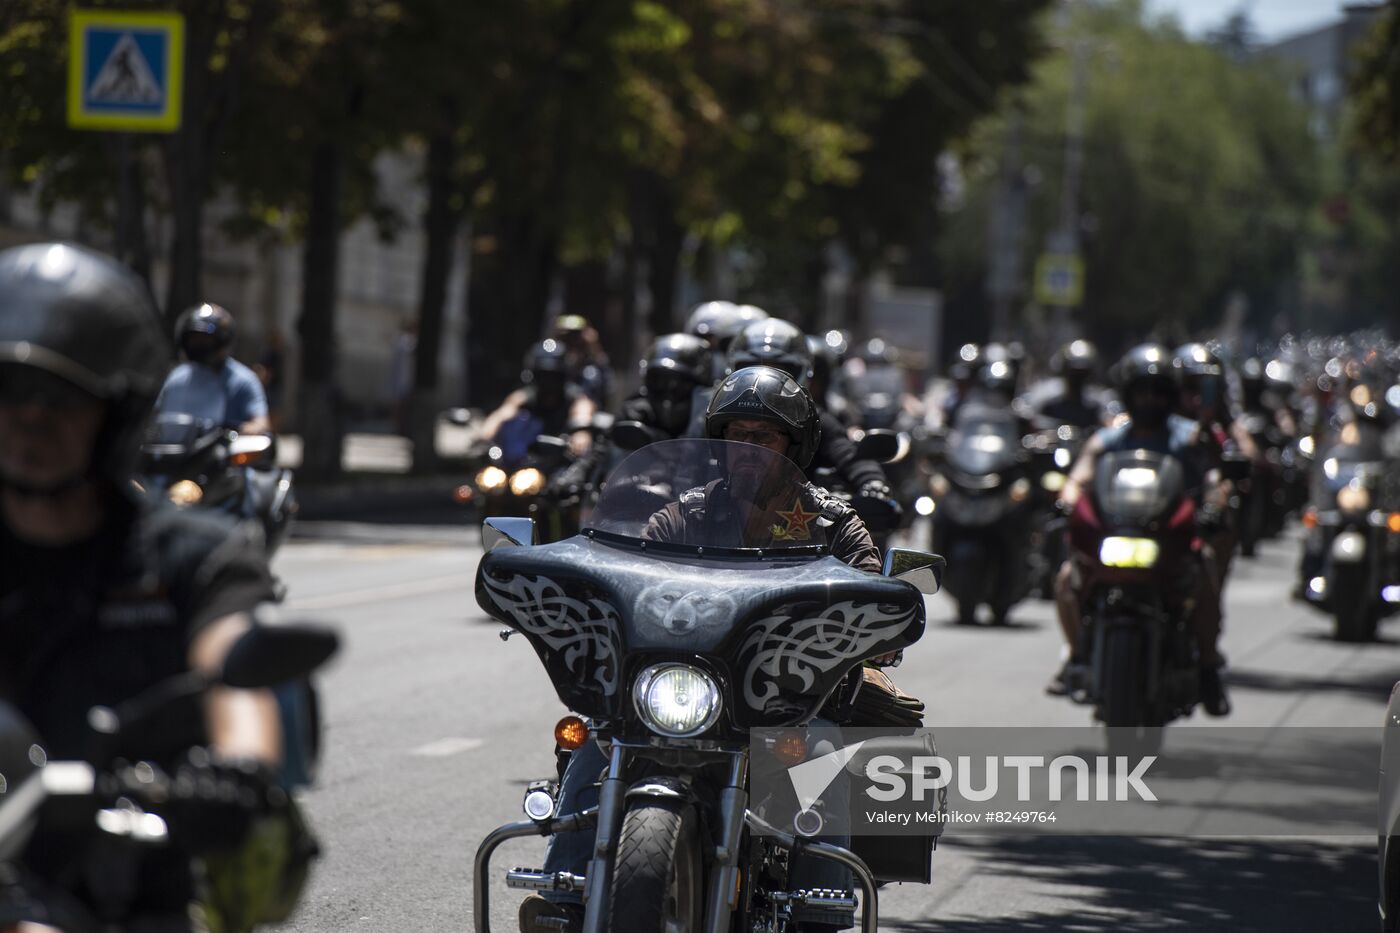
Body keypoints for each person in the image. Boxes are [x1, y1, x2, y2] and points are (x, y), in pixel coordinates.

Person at [0, 243, 304, 930]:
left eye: (59, 397)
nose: (30, 419)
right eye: (9, 393)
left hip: (144, 879)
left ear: (116, 407)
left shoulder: (191, 555)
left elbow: (235, 673)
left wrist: (238, 772)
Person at [519, 367, 881, 933]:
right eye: (736, 436)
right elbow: (625, 572)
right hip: (685, 689)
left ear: (795, 445)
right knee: (598, 733)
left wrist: (875, 628)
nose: (747, 450)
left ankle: (821, 906)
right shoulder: (685, 513)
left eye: (762, 438)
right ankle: (563, 894)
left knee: (821, 749)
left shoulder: (832, 524)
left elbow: (871, 589)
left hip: (785, 702)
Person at [1047, 344, 1231, 716]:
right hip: (1117, 534)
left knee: (1205, 566)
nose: (1150, 400)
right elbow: (1083, 470)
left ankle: (1209, 666)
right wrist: (1068, 495)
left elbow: (1215, 478)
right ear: (1128, 395)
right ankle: (1077, 652)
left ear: (1171, 395)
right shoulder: (1111, 438)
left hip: (1166, 539)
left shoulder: (1189, 436)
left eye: (1158, 391)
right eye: (1142, 391)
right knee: (1068, 579)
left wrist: (1215, 502)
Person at [727, 320, 899, 529]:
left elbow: (846, 453)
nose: (762, 380)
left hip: (796, 529)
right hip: (720, 521)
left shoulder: (814, 419)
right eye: (738, 432)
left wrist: (872, 483)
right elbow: (686, 452)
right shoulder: (715, 415)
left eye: (780, 372)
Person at [156, 303, 271, 436]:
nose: (199, 345)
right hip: (175, 453)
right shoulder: (176, 378)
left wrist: (231, 432)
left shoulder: (244, 381)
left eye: (206, 340)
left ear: (222, 341)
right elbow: (154, 418)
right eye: (194, 339)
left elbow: (261, 424)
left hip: (219, 453)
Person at [478, 340, 597, 465]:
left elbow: (582, 412)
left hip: (561, 462)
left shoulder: (575, 397)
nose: (549, 383)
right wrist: (483, 437)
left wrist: (581, 433)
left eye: (554, 377)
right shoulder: (523, 397)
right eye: (543, 376)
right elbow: (501, 415)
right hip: (525, 459)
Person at [1034, 339, 1108, 430]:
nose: (1077, 379)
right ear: (1064, 371)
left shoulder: (1094, 407)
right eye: (1073, 373)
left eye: (1082, 374)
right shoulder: (1050, 406)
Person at [552, 313, 612, 407]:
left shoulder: (591, 368)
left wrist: (594, 346)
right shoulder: (554, 359)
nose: (571, 340)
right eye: (567, 335)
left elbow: (607, 385)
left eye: (576, 335)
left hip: (584, 408)